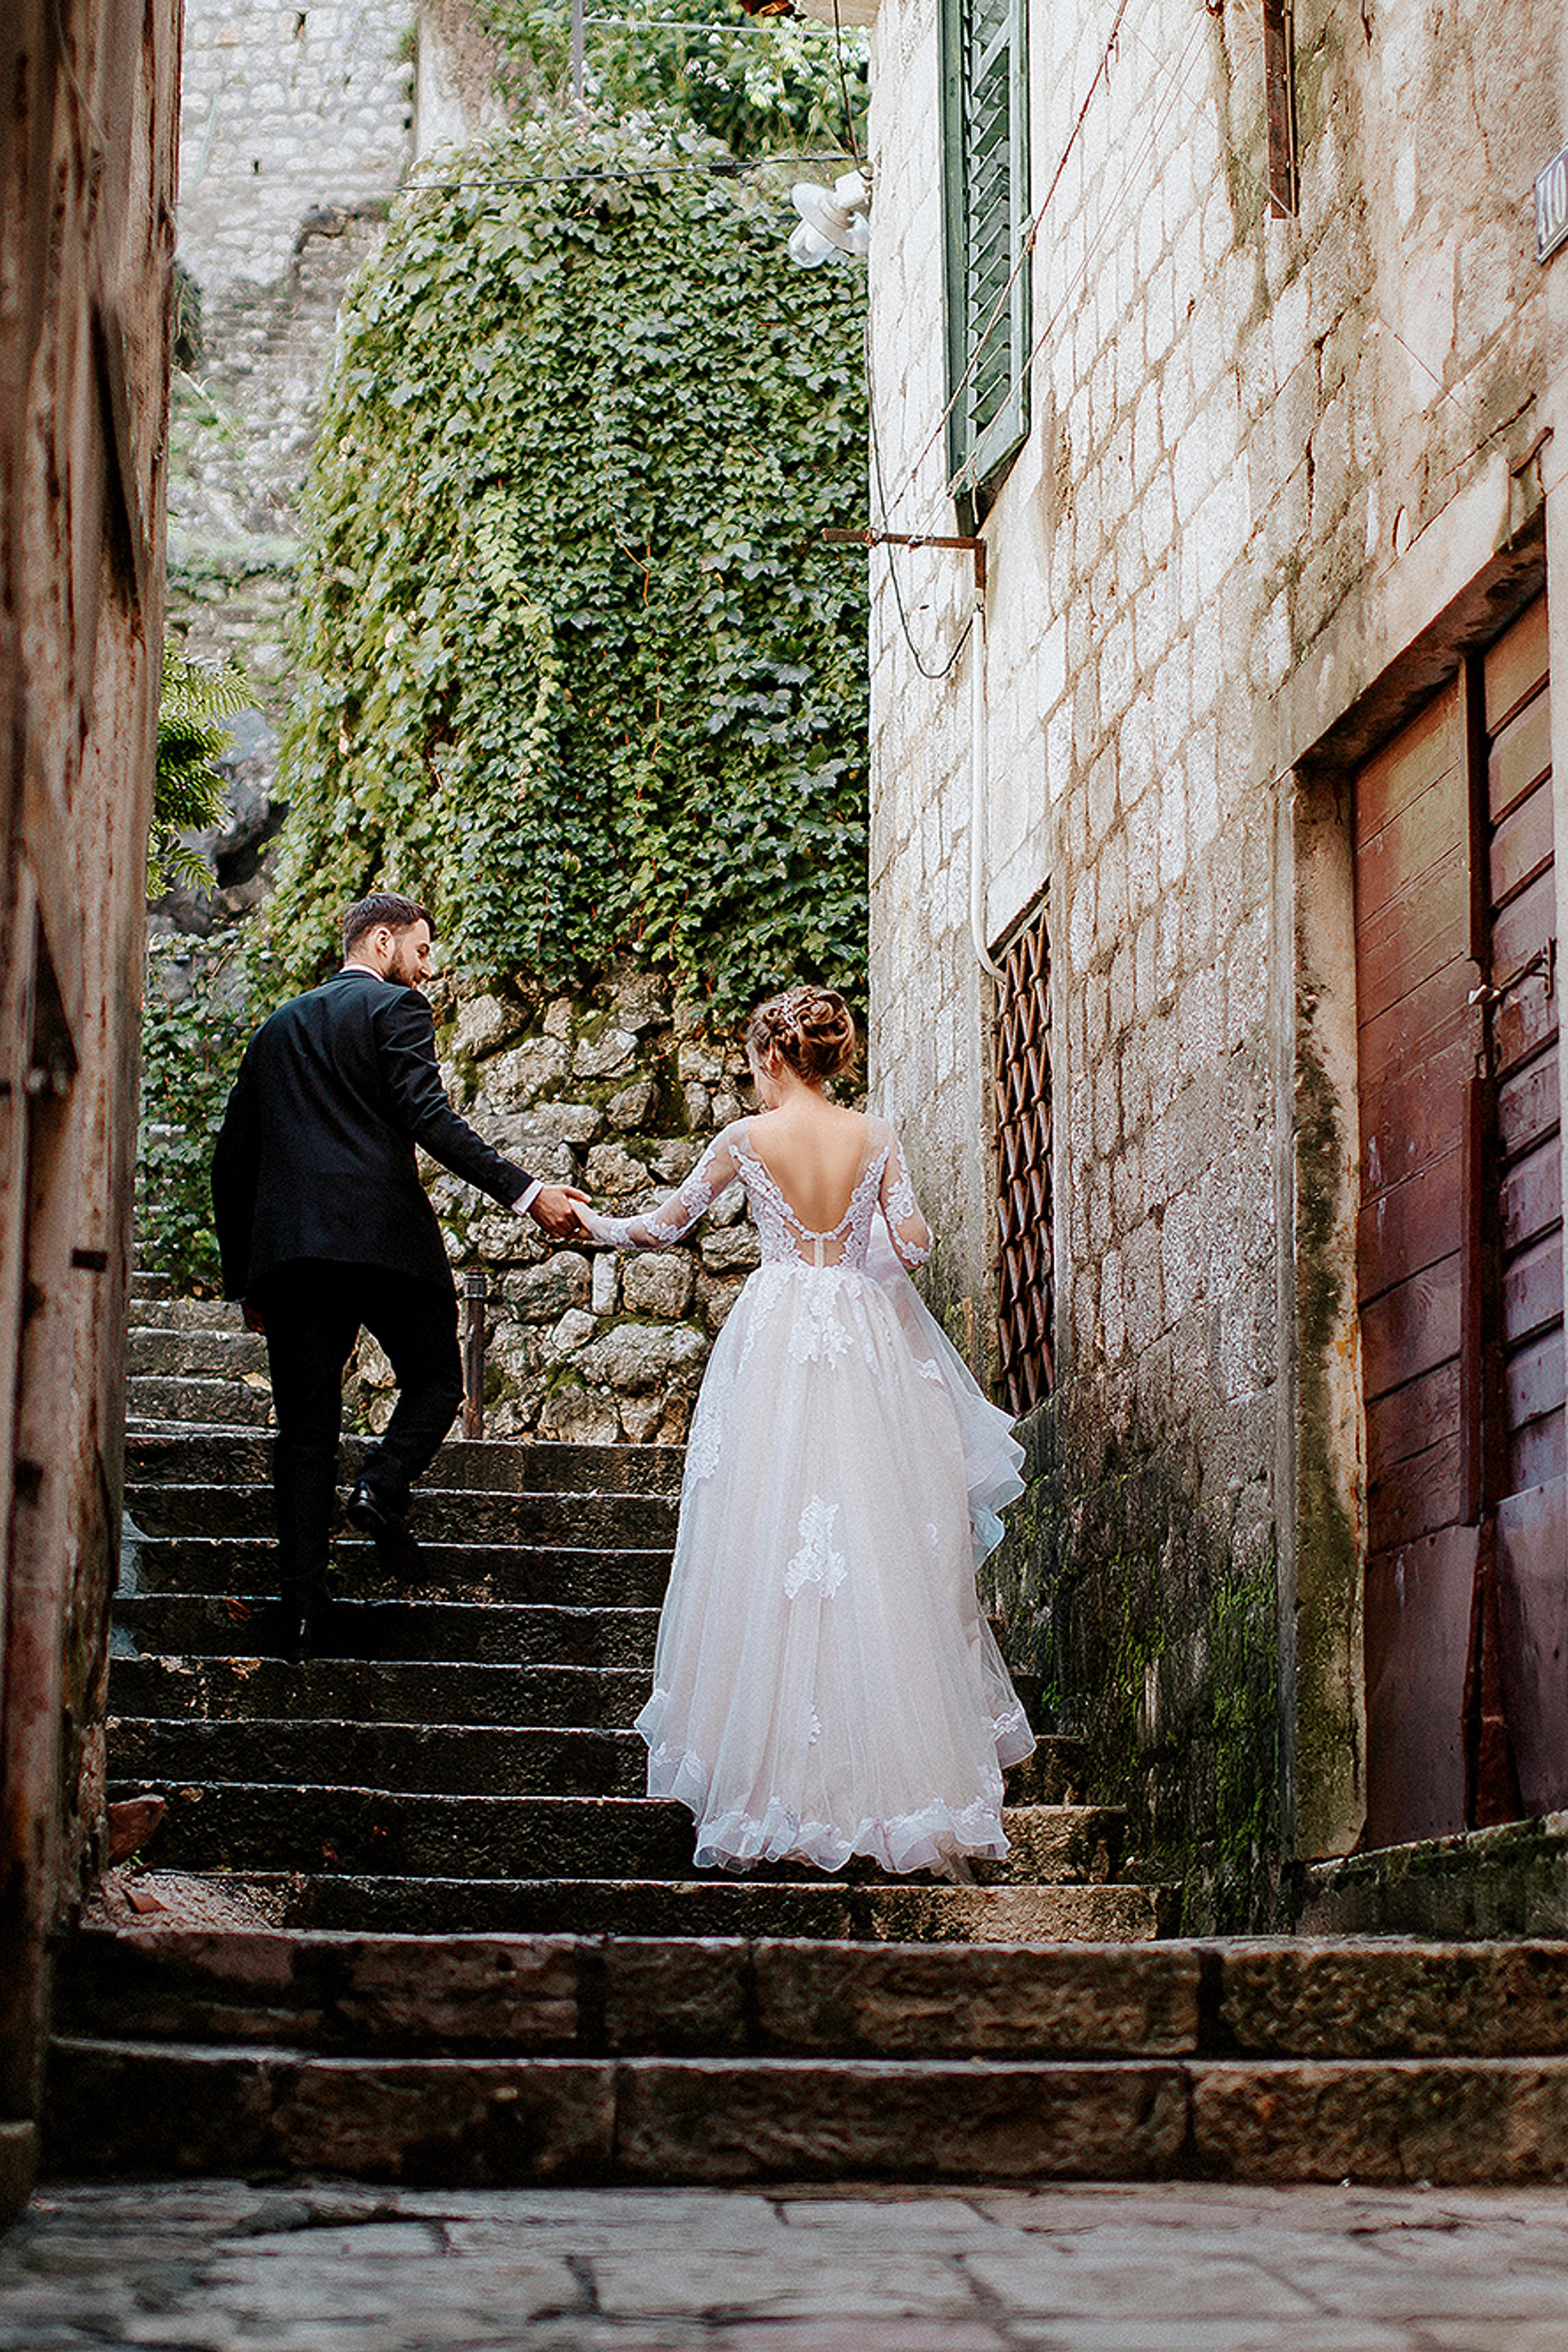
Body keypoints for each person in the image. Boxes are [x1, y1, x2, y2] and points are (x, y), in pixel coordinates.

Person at [574, 984, 1035, 1880]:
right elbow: (912, 1243)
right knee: (873, 1534)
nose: (753, 1082)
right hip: (861, 1335)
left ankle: (774, 1778)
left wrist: (592, 1224)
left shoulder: (745, 1142)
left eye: (754, 1066)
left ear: (775, 1058)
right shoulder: (879, 1136)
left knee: (770, 1528)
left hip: (779, 1330)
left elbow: (664, 1232)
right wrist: (892, 1234)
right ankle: (892, 1784)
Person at [211, 890, 586, 1657]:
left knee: (304, 1433)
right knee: (439, 1381)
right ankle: (382, 1485)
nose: (424, 973)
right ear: (380, 943)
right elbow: (430, 1117)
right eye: (419, 953)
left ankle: (306, 1608)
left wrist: (248, 1275)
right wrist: (527, 1192)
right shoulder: (395, 1012)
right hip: (382, 1242)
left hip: (293, 1258)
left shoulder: (275, 1028)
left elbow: (232, 1158)